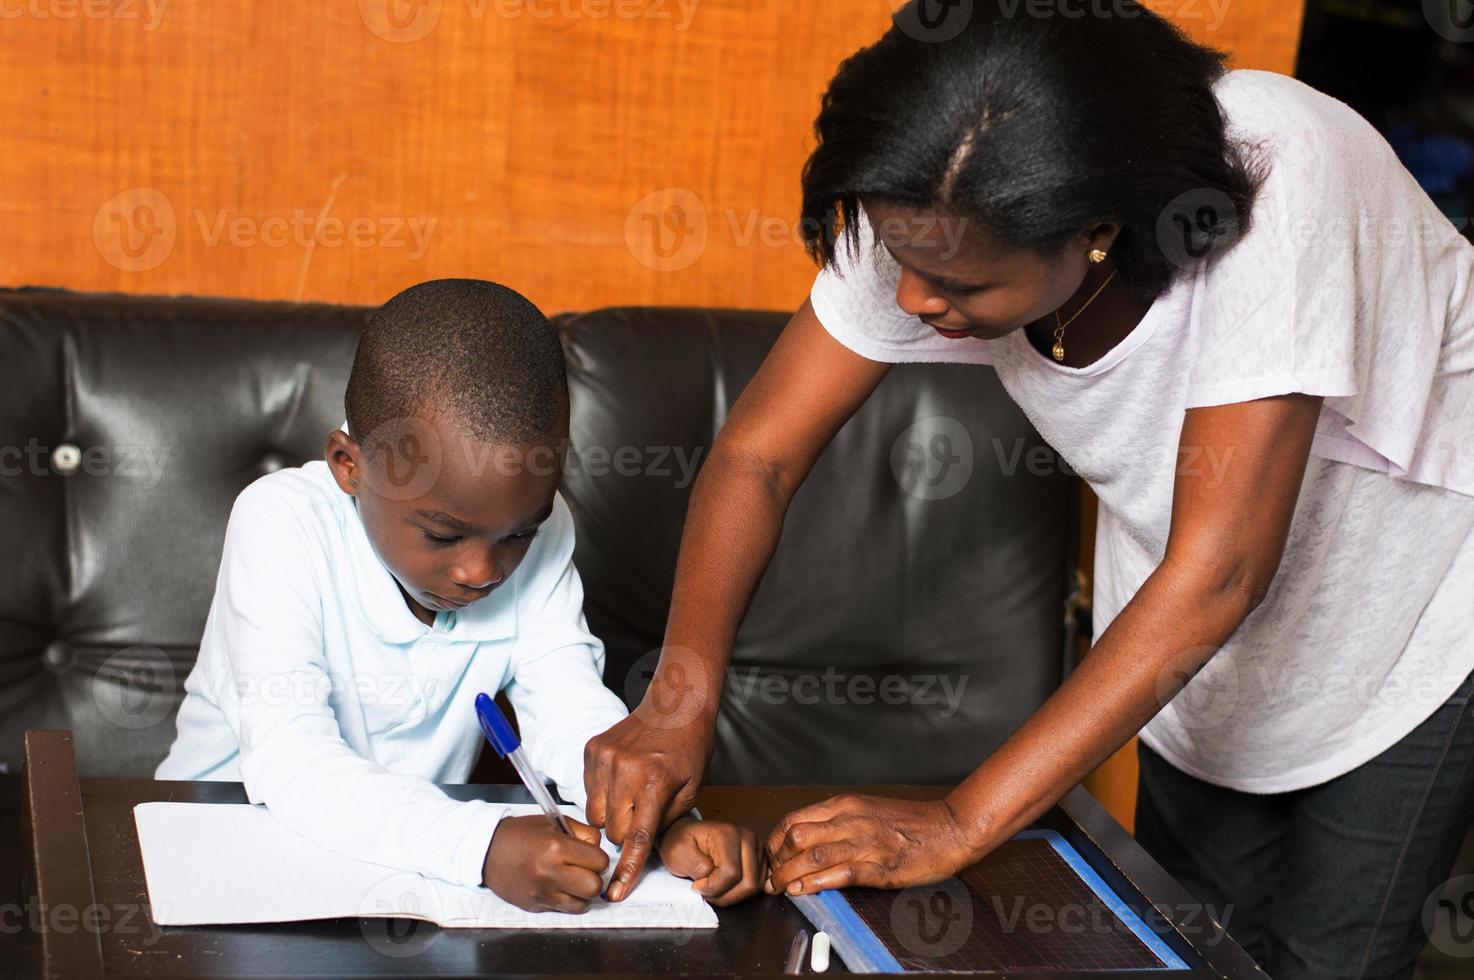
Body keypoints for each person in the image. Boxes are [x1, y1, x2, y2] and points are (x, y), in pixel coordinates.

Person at [582, 4, 1474, 976]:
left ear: (1095, 229)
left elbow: (1219, 572)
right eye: (902, 263)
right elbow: (758, 454)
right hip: (1190, 608)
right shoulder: (932, 196)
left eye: (958, 287)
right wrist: (676, 698)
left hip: (1417, 598)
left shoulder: (1279, 176)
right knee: (1188, 943)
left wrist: (962, 817)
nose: (915, 301)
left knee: (1323, 958)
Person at [158, 279, 763, 913]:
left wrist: (660, 823)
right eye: (442, 533)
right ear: (347, 465)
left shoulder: (546, 528)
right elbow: (292, 763)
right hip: (218, 856)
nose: (482, 571)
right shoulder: (280, 522)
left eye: (519, 534)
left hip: (395, 872)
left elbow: (569, 707)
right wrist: (482, 845)